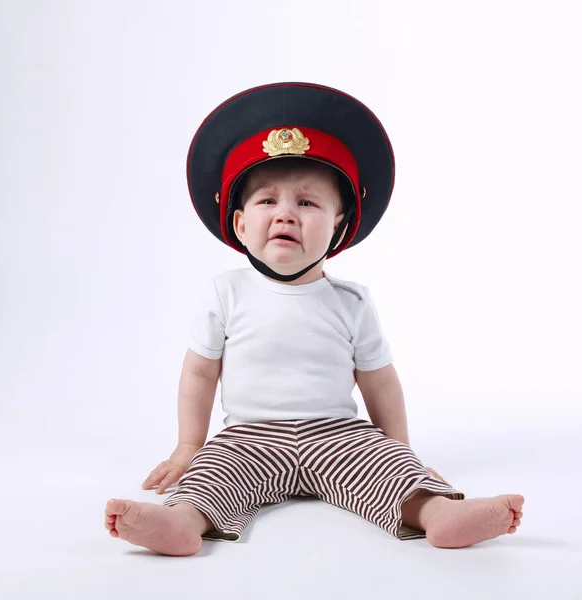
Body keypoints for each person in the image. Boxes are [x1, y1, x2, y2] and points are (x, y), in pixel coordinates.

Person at [104, 83, 524, 556]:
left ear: (340, 225)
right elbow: (199, 373)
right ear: (240, 224)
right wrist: (187, 446)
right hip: (249, 435)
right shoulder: (226, 293)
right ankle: (182, 522)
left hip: (338, 433)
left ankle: (438, 512)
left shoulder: (352, 302)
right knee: (213, 471)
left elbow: (379, 383)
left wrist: (403, 451)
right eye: (267, 201)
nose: (286, 213)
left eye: (307, 203)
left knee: (384, 468)